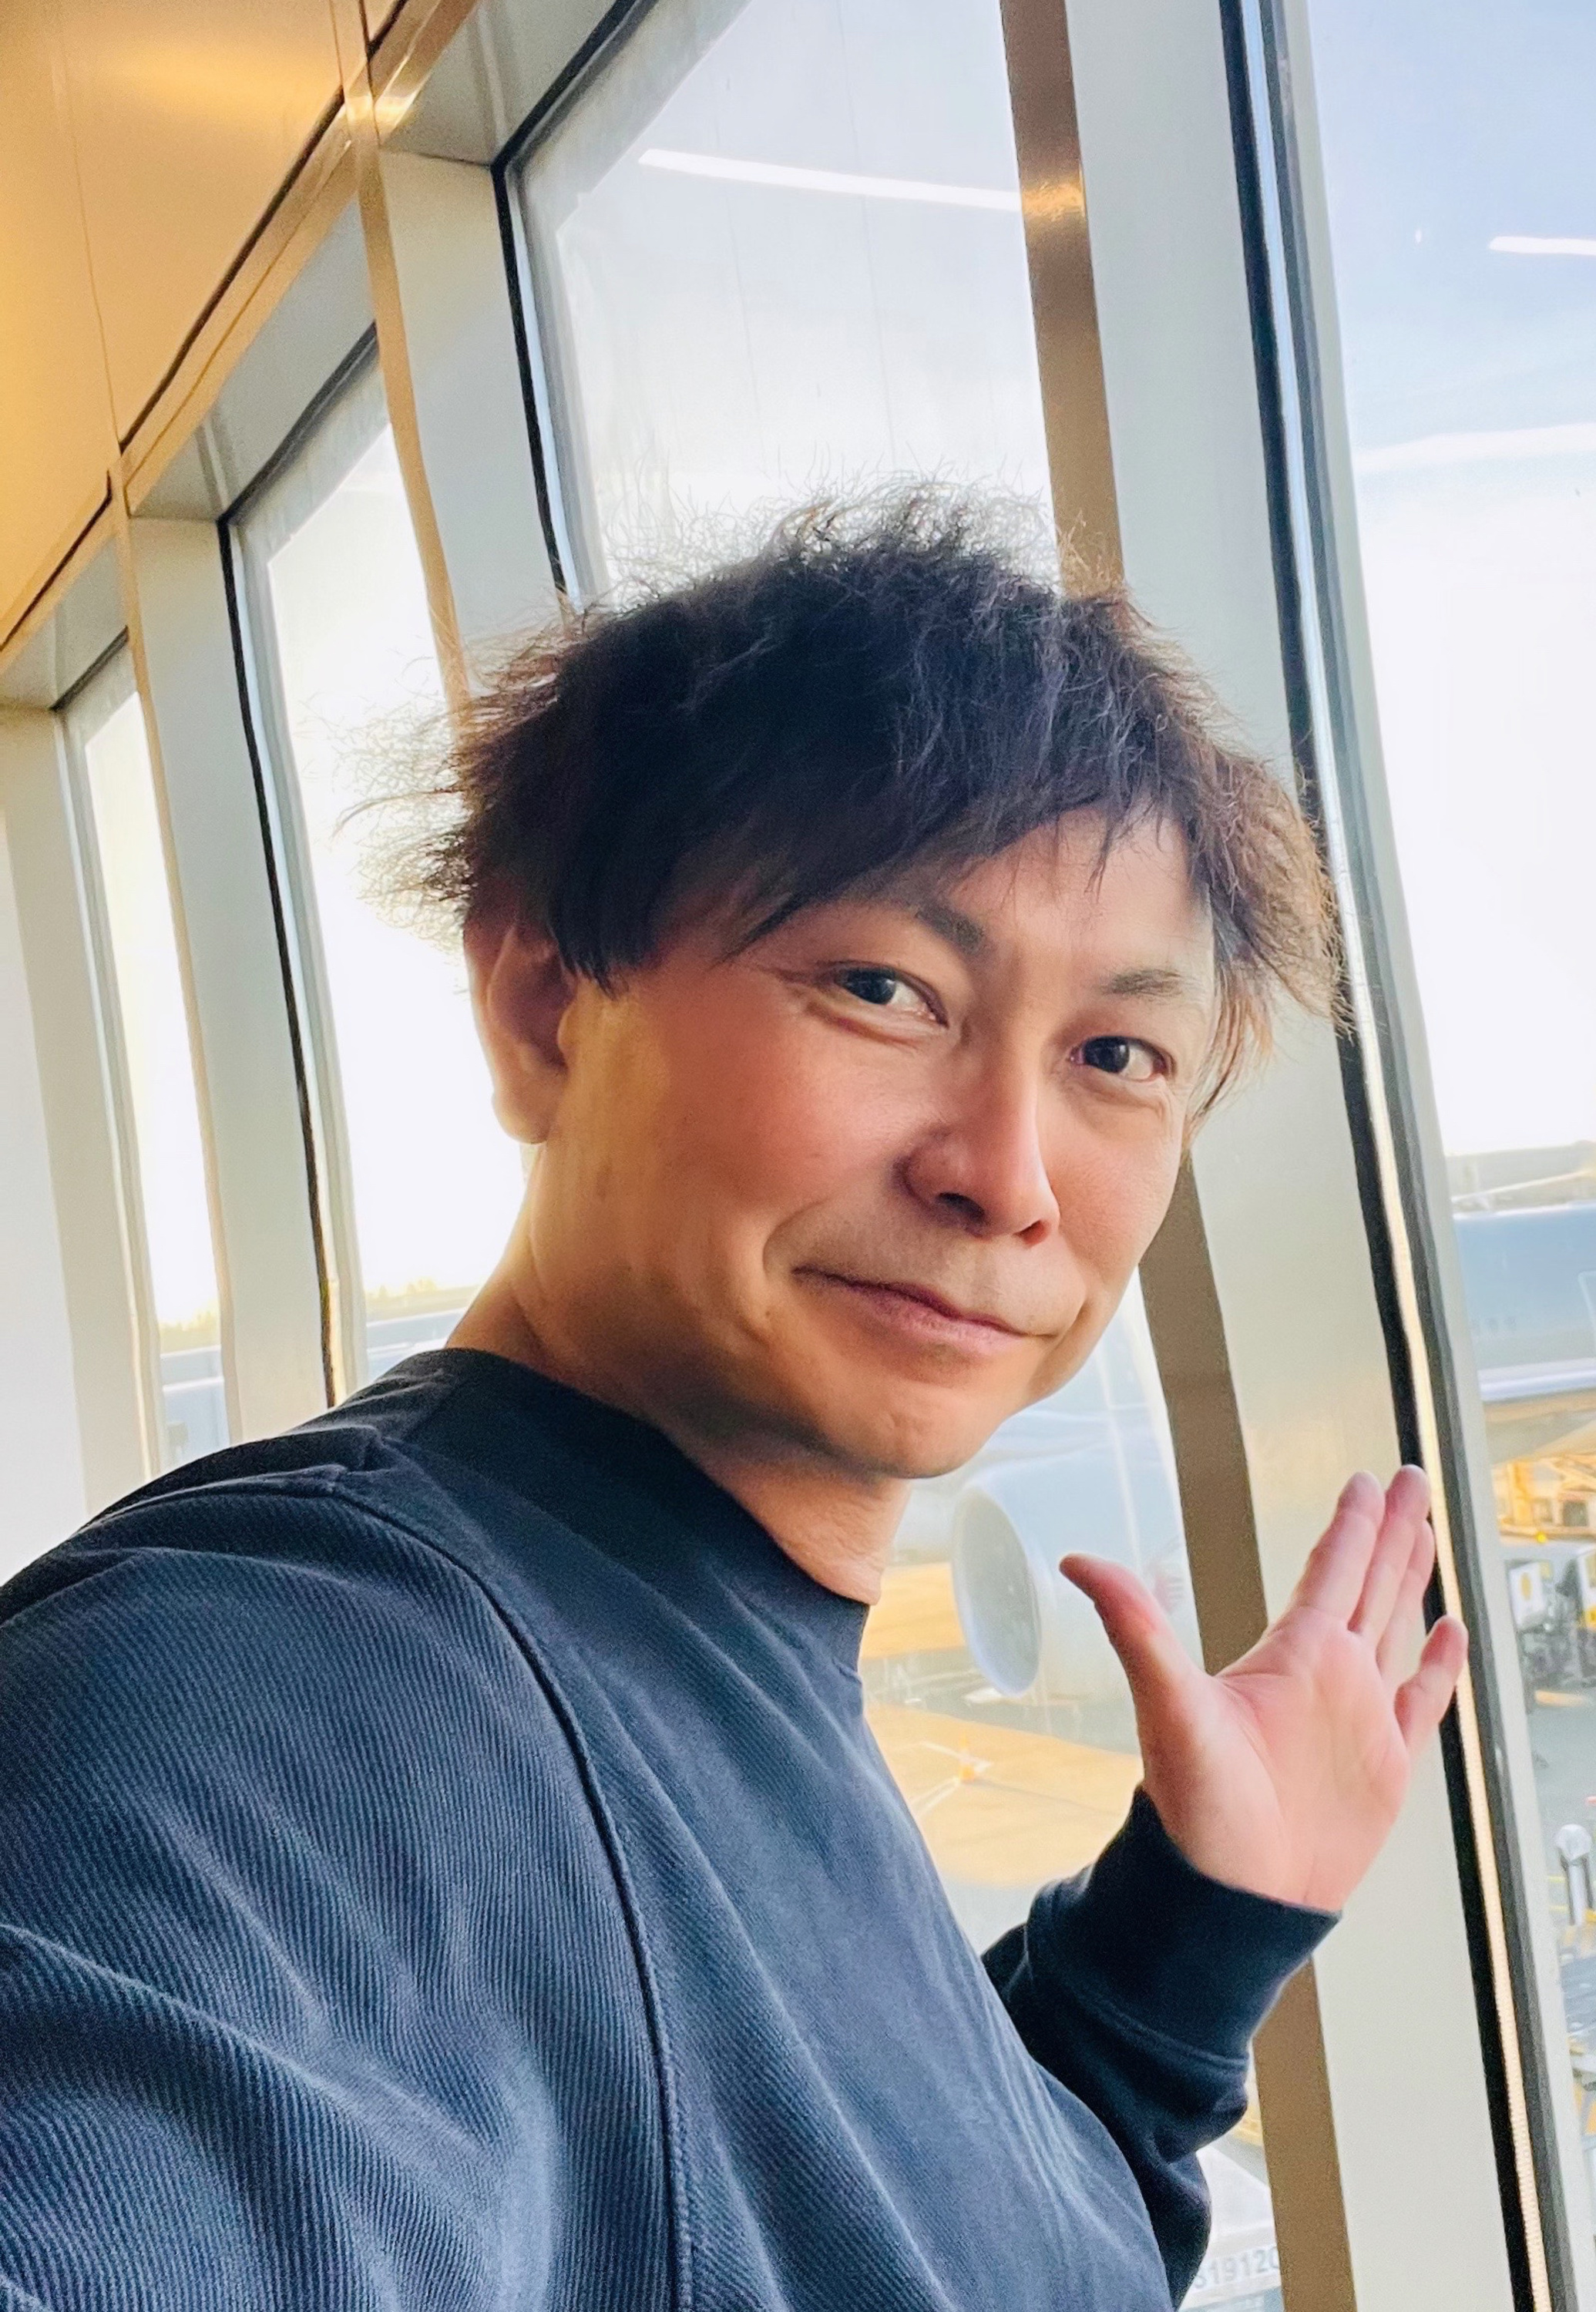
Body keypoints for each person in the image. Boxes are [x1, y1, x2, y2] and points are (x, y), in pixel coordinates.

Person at [0, 496, 1467, 2310]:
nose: (1008, 1176)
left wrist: (1184, 1944)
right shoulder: (284, 1696)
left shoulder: (673, 1621)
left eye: (1117, 1054)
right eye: (884, 989)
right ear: (546, 1006)